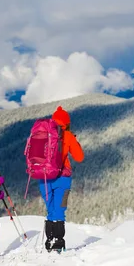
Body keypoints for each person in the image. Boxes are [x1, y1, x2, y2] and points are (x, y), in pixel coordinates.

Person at [41, 106, 84, 253]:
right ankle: (58, 242)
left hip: (44, 178)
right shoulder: (67, 135)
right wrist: (73, 140)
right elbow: (79, 157)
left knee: (51, 210)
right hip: (62, 178)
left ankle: (49, 241)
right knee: (59, 210)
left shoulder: (43, 133)